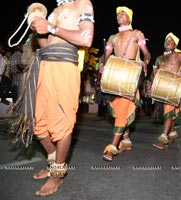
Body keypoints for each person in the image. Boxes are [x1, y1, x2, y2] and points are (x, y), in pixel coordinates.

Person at [18, 0, 94, 196]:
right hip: (44, 64)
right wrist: (38, 26)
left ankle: (57, 174)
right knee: (36, 123)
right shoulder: (55, 11)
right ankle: (54, 162)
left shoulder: (82, 4)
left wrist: (51, 26)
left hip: (65, 66)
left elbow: (86, 38)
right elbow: (45, 43)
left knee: (62, 124)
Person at [100, 6, 151, 161]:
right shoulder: (112, 37)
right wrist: (101, 64)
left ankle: (113, 147)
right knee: (116, 110)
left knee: (122, 111)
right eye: (118, 14)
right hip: (115, 75)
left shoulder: (137, 34)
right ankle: (126, 140)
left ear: (130, 17)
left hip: (130, 76)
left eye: (123, 13)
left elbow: (146, 52)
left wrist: (146, 62)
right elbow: (106, 54)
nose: (119, 15)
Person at [152, 32, 181, 150]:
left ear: (175, 44)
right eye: (167, 40)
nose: (168, 42)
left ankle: (163, 137)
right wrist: (152, 85)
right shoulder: (159, 58)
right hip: (161, 89)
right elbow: (154, 74)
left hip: (173, 89)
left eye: (171, 40)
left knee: (168, 111)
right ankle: (173, 133)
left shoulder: (180, 56)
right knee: (167, 112)